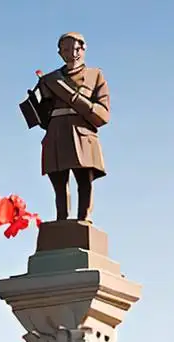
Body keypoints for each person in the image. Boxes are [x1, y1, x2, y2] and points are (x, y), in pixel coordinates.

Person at [34, 32, 110, 222]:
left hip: (83, 134)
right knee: (59, 184)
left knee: (84, 181)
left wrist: (76, 99)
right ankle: (61, 219)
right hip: (57, 133)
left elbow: (103, 113)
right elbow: (42, 116)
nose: (72, 53)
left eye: (77, 48)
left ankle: (84, 218)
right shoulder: (49, 79)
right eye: (66, 49)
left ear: (84, 49)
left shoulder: (95, 75)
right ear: (60, 53)